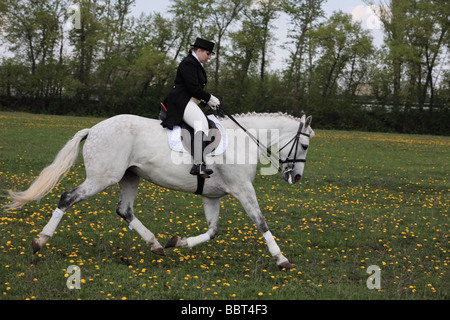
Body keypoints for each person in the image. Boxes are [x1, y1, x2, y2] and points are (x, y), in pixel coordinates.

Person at [161, 38, 220, 178]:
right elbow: (193, 88)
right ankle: (198, 164)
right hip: (181, 100)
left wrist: (208, 101)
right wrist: (209, 97)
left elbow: (196, 90)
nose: (209, 57)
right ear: (198, 50)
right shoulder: (188, 63)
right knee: (202, 125)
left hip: (189, 100)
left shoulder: (194, 63)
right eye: (208, 53)